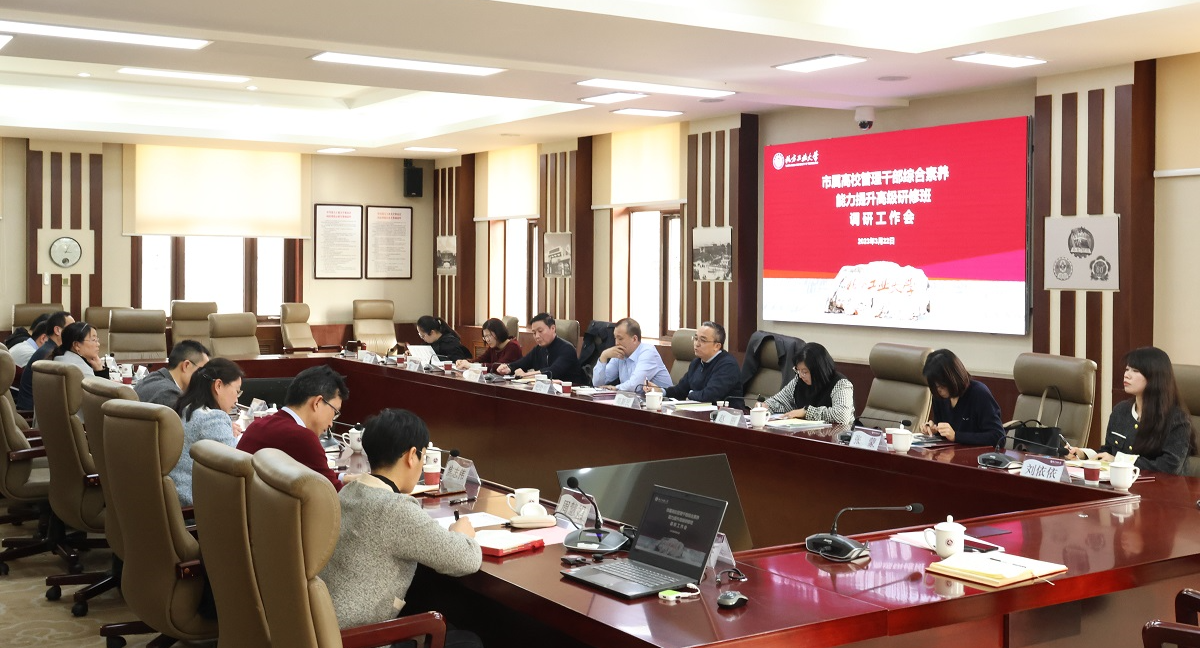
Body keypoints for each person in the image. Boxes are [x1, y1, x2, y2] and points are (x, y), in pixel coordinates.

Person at [321, 408, 482, 648]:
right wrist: (461, 534)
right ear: (412, 455)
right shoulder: (394, 508)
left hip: (326, 630)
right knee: (468, 642)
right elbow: (466, 560)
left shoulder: (349, 491)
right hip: (357, 640)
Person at [1070, 347, 1195, 474]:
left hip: (1160, 485)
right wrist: (1083, 454)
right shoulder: (1121, 410)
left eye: (1135, 371)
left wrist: (1119, 461)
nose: (1127, 375)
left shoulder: (1176, 419)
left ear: (1155, 377)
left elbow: (1170, 466)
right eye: (1127, 369)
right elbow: (1109, 451)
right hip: (1120, 482)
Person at [238, 365, 350, 491]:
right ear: (317, 402)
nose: (331, 424)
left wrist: (343, 477)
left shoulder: (257, 425)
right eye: (335, 412)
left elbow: (316, 473)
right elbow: (334, 493)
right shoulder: (302, 438)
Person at [169, 358, 244, 507]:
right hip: (194, 506)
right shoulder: (213, 418)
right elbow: (238, 469)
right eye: (237, 391)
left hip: (177, 498)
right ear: (218, 385)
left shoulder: (186, 409)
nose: (236, 399)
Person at [647, 321, 742, 406]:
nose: (697, 344)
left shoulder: (727, 365)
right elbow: (680, 390)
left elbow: (709, 396)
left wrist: (690, 394)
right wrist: (660, 391)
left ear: (717, 346)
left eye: (703, 340)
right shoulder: (696, 363)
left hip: (726, 416)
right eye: (696, 338)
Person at [921, 349, 1004, 446]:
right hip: (948, 452)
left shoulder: (979, 393)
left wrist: (956, 436)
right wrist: (933, 429)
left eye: (941, 385)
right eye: (935, 386)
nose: (938, 390)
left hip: (975, 453)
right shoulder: (939, 397)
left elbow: (998, 437)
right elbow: (943, 433)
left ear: (952, 378)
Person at [763, 342, 855, 425]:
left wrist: (806, 412)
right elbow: (781, 401)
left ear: (819, 370)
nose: (800, 375)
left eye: (805, 372)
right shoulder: (798, 380)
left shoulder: (840, 384)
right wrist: (766, 406)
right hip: (804, 433)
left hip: (835, 436)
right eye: (798, 370)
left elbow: (842, 416)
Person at [495, 313, 586, 384]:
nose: (537, 336)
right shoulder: (538, 349)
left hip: (570, 395)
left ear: (553, 328)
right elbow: (522, 363)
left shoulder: (567, 349)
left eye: (540, 331)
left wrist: (525, 375)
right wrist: (508, 368)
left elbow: (552, 371)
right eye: (534, 333)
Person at [591, 318, 671, 394]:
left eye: (620, 339)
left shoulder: (648, 352)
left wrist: (615, 388)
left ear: (634, 339)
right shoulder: (620, 353)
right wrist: (603, 356)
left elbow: (635, 385)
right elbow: (597, 384)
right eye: (615, 338)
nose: (616, 343)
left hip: (663, 400)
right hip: (636, 400)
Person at [16, 311, 72, 410]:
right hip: (31, 412)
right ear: (57, 330)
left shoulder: (48, 348)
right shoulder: (49, 354)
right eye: (71, 328)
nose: (75, 332)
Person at [135, 340, 211, 407]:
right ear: (186, 365)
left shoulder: (151, 379)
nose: (205, 377)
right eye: (203, 370)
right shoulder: (169, 395)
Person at [455, 317, 521, 373]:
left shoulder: (513, 347)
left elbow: (498, 367)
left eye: (489, 336)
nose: (487, 340)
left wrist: (470, 365)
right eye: (485, 337)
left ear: (499, 332)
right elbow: (481, 359)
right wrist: (465, 362)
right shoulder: (494, 346)